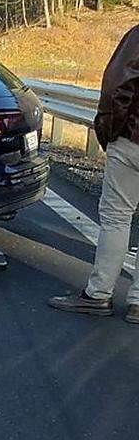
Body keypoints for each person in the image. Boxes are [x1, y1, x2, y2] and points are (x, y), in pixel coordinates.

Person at [49, 24, 139, 324]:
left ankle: (99, 294)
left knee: (117, 217)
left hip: (133, 140)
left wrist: (110, 131)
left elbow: (117, 86)